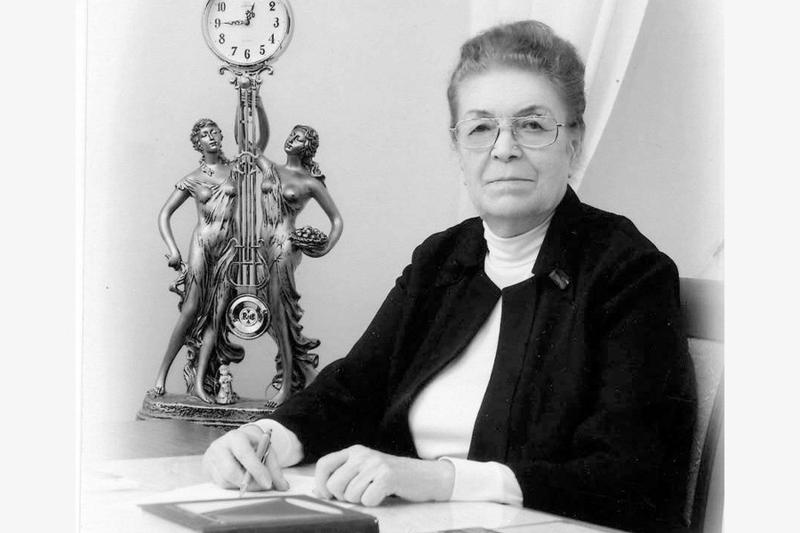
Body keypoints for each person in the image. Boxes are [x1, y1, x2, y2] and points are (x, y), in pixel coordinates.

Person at [203, 20, 696, 532]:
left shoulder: (630, 273)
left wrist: (441, 478)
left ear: (574, 141)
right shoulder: (442, 258)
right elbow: (353, 389)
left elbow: (632, 476)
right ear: (458, 148)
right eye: (481, 128)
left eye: (532, 125)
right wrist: (266, 439)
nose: (504, 148)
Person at [152, 118, 244, 403]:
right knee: (191, 308)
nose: (211, 136)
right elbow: (164, 214)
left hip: (230, 247)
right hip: (202, 244)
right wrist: (173, 250)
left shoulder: (236, 170)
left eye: (214, 131)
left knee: (218, 313)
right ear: (198, 143)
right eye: (205, 134)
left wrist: (255, 104)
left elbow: (257, 143)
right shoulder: (192, 178)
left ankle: (201, 383)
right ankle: (161, 375)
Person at [256, 125, 343, 408]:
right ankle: (301, 373)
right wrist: (256, 104)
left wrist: (324, 247)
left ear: (307, 148)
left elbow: (337, 220)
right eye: (292, 134)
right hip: (261, 245)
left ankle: (286, 387)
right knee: (265, 311)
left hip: (284, 246)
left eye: (299, 138)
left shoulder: (309, 183)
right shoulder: (271, 168)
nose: (292, 139)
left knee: (280, 312)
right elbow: (248, 143)